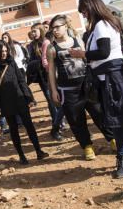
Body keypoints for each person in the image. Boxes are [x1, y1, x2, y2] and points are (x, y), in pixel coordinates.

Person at [72, 0, 123, 179]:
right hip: (112, 78)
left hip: (112, 78)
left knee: (116, 120)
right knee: (122, 117)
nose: (83, 15)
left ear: (91, 8)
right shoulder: (107, 23)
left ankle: (122, 158)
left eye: (83, 11)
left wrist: (82, 54)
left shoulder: (101, 26)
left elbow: (104, 52)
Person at [46, 14, 113, 160]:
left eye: (57, 27)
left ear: (65, 26)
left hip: (86, 86)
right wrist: (54, 90)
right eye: (53, 28)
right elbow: (51, 71)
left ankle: (112, 139)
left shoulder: (78, 41)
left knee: (99, 113)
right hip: (67, 91)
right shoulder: (51, 48)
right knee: (76, 120)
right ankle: (87, 146)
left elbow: (87, 59)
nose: (55, 30)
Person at [0, 40, 50, 165]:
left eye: (5, 51)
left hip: (19, 98)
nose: (4, 53)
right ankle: (21, 155)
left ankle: (39, 151)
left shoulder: (11, 61)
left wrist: (29, 97)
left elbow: (21, 80)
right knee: (14, 129)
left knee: (29, 126)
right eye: (1, 51)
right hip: (6, 102)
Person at [27, 23, 64, 140]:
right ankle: (56, 124)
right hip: (43, 76)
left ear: (41, 30)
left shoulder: (48, 41)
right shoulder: (32, 46)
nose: (33, 33)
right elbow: (31, 61)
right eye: (32, 32)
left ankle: (60, 122)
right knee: (51, 100)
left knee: (61, 100)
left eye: (35, 31)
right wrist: (40, 62)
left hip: (55, 74)